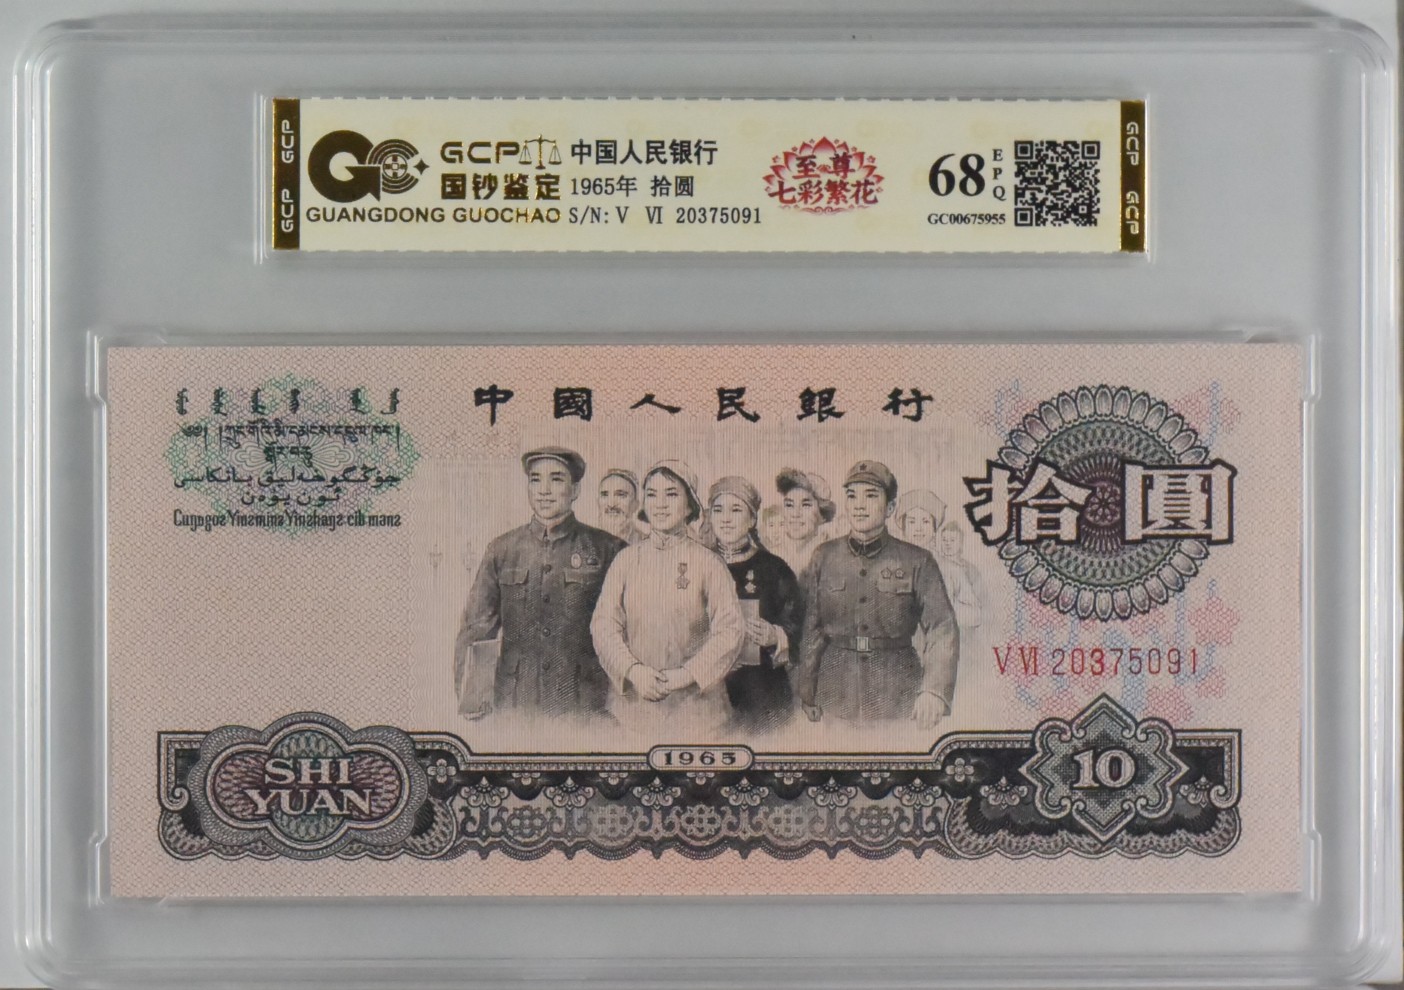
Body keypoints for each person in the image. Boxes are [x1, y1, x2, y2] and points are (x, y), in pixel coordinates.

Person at [455, 446, 626, 718]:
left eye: (556, 479)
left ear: (575, 490)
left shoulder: (609, 548)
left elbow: (628, 634)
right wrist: (472, 700)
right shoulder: (502, 549)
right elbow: (476, 630)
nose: (544, 490)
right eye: (535, 480)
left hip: (585, 707)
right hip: (513, 706)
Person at [796, 460, 959, 729]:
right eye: (852, 496)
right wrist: (807, 690)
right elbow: (812, 628)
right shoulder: (824, 556)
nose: (859, 506)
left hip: (897, 691)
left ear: (890, 508)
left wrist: (934, 691)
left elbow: (942, 627)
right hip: (835, 691)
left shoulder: (918, 560)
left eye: (871, 496)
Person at [591, 460, 745, 737]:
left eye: (671, 494)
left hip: (699, 715)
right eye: (652, 494)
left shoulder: (709, 563)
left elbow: (730, 630)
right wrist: (634, 671)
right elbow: (603, 625)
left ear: (689, 506)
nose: (660, 504)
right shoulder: (625, 560)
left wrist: (685, 675)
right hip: (632, 714)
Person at [705, 476, 803, 733]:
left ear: (752, 519)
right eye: (718, 510)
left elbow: (799, 626)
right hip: (705, 691)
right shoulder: (695, 565)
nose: (726, 519)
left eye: (736, 510)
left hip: (761, 690)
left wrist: (775, 635)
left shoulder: (775, 568)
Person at [771, 468, 838, 575]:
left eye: (806, 505)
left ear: (822, 514)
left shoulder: (834, 556)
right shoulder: (772, 555)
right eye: (789, 505)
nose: (795, 514)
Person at [936, 521, 987, 630]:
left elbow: (977, 605)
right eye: (944, 540)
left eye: (952, 540)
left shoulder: (970, 570)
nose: (948, 543)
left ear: (960, 543)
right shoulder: (935, 565)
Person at [597, 467, 648, 544]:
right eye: (605, 495)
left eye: (620, 495)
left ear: (635, 505)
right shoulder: (586, 540)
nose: (611, 504)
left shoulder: (646, 543)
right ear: (598, 502)